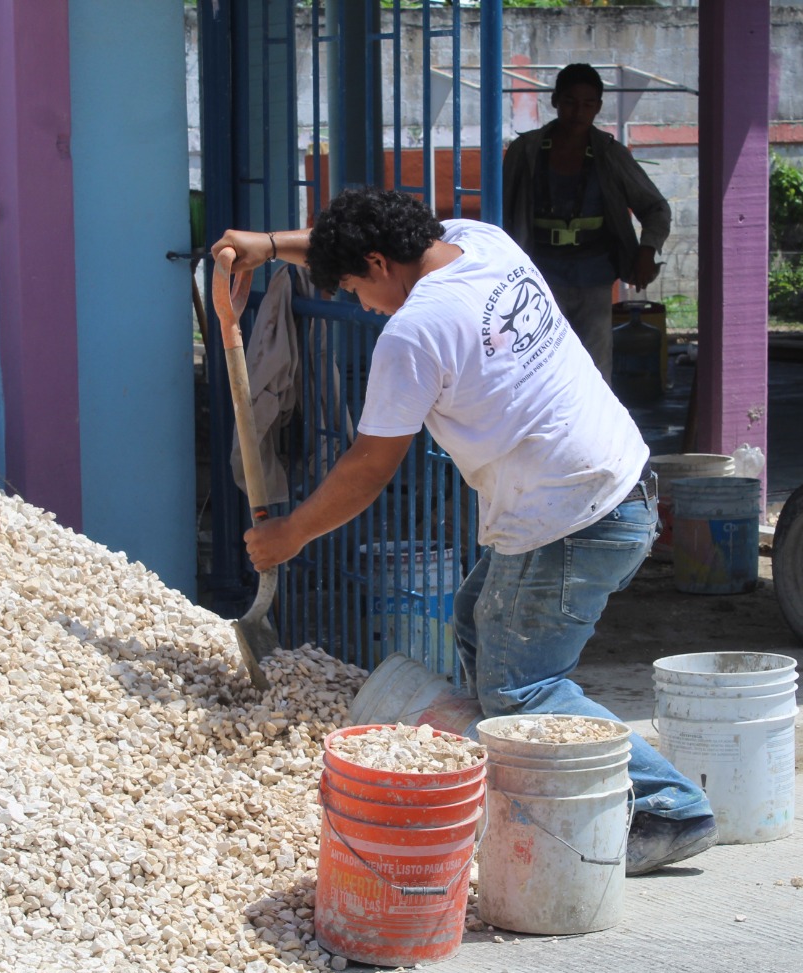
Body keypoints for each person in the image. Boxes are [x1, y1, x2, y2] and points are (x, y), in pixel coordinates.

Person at [210, 187, 716, 875]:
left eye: (357, 286)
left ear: (380, 262)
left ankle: (668, 805)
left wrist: (291, 534)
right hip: (616, 483)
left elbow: (367, 467)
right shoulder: (479, 243)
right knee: (477, 622)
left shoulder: (415, 332)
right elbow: (367, 241)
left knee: (522, 690)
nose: (360, 303)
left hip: (571, 521)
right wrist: (272, 246)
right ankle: (527, 777)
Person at [502, 62, 671, 383]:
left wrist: (647, 250)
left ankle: (594, 433)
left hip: (594, 276)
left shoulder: (610, 154)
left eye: (588, 104)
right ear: (554, 101)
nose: (578, 111)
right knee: (537, 365)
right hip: (538, 277)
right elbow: (500, 212)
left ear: (598, 107)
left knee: (594, 370)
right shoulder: (526, 151)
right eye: (570, 101)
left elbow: (656, 208)